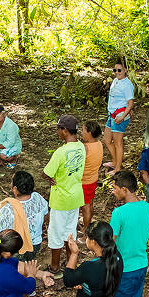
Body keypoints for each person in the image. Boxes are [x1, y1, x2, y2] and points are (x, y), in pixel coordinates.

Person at [104, 171, 149, 297]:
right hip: (141, 264)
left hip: (123, 268)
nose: (113, 192)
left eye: (115, 189)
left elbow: (111, 241)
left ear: (124, 189)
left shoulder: (119, 213)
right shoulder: (148, 208)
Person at [43, 115, 86, 273]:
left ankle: (54, 267)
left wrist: (51, 179)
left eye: (59, 129)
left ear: (65, 131)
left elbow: (46, 173)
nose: (58, 132)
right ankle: (70, 264)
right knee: (70, 232)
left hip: (61, 199)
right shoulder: (81, 147)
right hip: (75, 197)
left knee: (55, 234)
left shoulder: (60, 152)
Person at [0, 171, 49, 262]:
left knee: (17, 269)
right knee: (28, 265)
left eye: (11, 182)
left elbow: (1, 235)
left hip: (15, 249)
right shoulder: (38, 198)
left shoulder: (8, 209)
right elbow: (46, 216)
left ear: (15, 188)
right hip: (35, 245)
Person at [103, 60, 134, 174]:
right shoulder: (116, 81)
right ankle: (114, 161)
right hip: (112, 114)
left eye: (119, 70)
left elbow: (130, 103)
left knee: (118, 143)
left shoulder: (127, 84)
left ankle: (117, 168)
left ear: (125, 70)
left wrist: (123, 116)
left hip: (119, 116)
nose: (116, 72)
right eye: (115, 70)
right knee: (106, 139)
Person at [81, 121, 103, 230]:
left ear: (89, 133)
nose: (81, 133)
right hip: (93, 179)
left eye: (83, 130)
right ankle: (87, 226)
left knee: (86, 207)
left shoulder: (85, 148)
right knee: (90, 204)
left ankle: (86, 232)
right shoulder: (99, 144)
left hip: (84, 181)